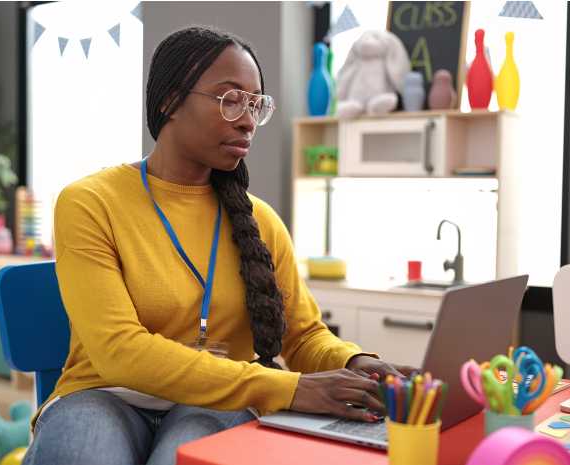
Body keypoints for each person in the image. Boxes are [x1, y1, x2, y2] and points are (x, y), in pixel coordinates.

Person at [23, 25, 412, 465]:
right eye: (230, 100)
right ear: (170, 101)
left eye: (255, 104)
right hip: (103, 394)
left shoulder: (261, 221)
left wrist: (357, 362)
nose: (248, 119)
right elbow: (118, 350)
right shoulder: (91, 202)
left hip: (216, 401)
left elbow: (303, 336)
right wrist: (291, 388)